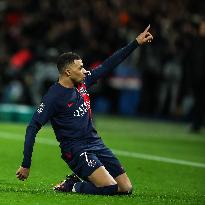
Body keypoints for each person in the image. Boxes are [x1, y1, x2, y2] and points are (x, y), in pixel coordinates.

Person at [16, 25, 153, 195]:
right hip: (76, 150)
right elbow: (32, 127)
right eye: (80, 68)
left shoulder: (82, 83)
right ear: (67, 72)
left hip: (96, 143)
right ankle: (71, 186)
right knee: (109, 188)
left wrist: (135, 43)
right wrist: (26, 163)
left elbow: (108, 65)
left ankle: (79, 181)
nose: (84, 70)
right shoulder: (53, 97)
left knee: (126, 189)